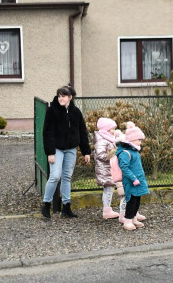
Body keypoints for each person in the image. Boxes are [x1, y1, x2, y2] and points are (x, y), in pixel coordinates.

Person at [40, 85, 91, 219]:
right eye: (59, 96)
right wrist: (50, 152)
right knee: (55, 176)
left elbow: (82, 132)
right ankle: (46, 204)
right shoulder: (52, 111)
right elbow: (47, 133)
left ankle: (66, 208)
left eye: (63, 96)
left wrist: (86, 152)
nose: (61, 98)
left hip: (71, 150)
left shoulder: (76, 112)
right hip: (56, 149)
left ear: (70, 97)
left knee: (67, 177)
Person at [115, 123, 149, 231]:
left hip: (138, 180)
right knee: (131, 200)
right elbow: (124, 168)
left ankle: (134, 218)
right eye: (138, 139)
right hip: (131, 181)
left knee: (137, 199)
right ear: (131, 140)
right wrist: (133, 178)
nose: (140, 142)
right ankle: (128, 220)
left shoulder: (135, 152)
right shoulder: (125, 153)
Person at [93, 117, 122, 219]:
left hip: (109, 169)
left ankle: (107, 209)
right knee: (109, 189)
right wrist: (112, 155)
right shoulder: (102, 140)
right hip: (105, 169)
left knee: (109, 189)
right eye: (111, 129)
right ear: (105, 129)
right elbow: (100, 155)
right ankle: (106, 210)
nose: (113, 131)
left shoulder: (108, 139)